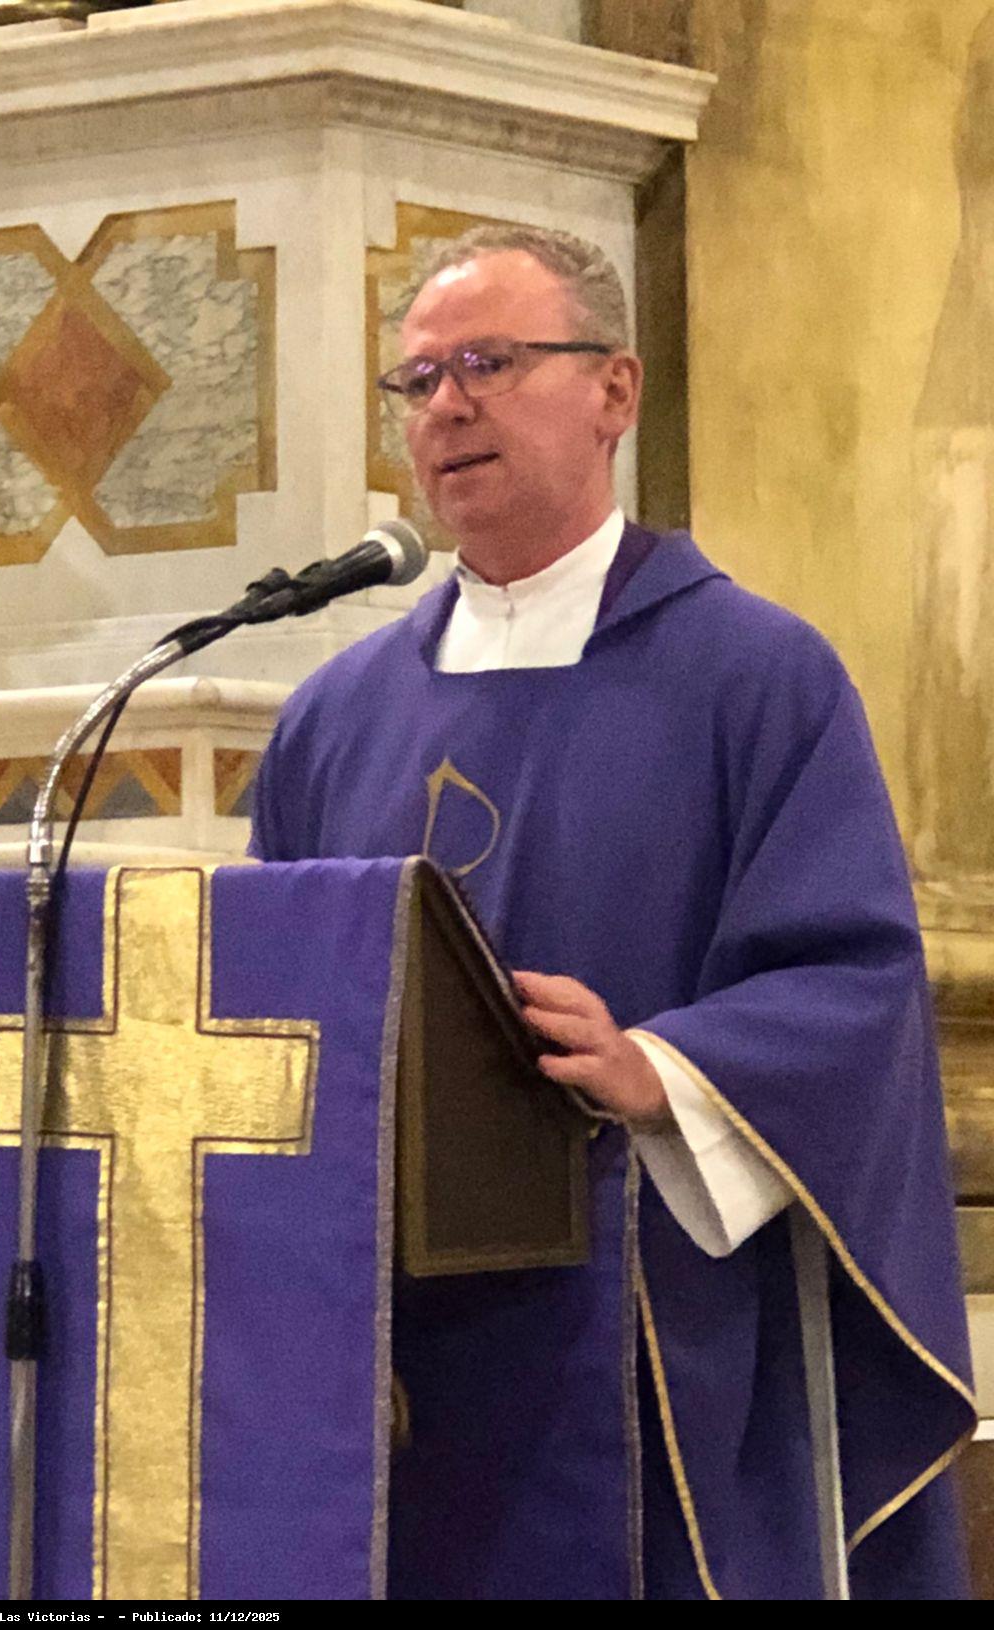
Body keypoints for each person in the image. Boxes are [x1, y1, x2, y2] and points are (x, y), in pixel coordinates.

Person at [249, 226, 976, 1599]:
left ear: (616, 392)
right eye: (419, 380)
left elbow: (856, 980)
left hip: (655, 1330)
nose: (447, 405)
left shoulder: (756, 676)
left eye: (489, 363)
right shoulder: (333, 720)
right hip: (388, 1344)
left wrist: (666, 1068)